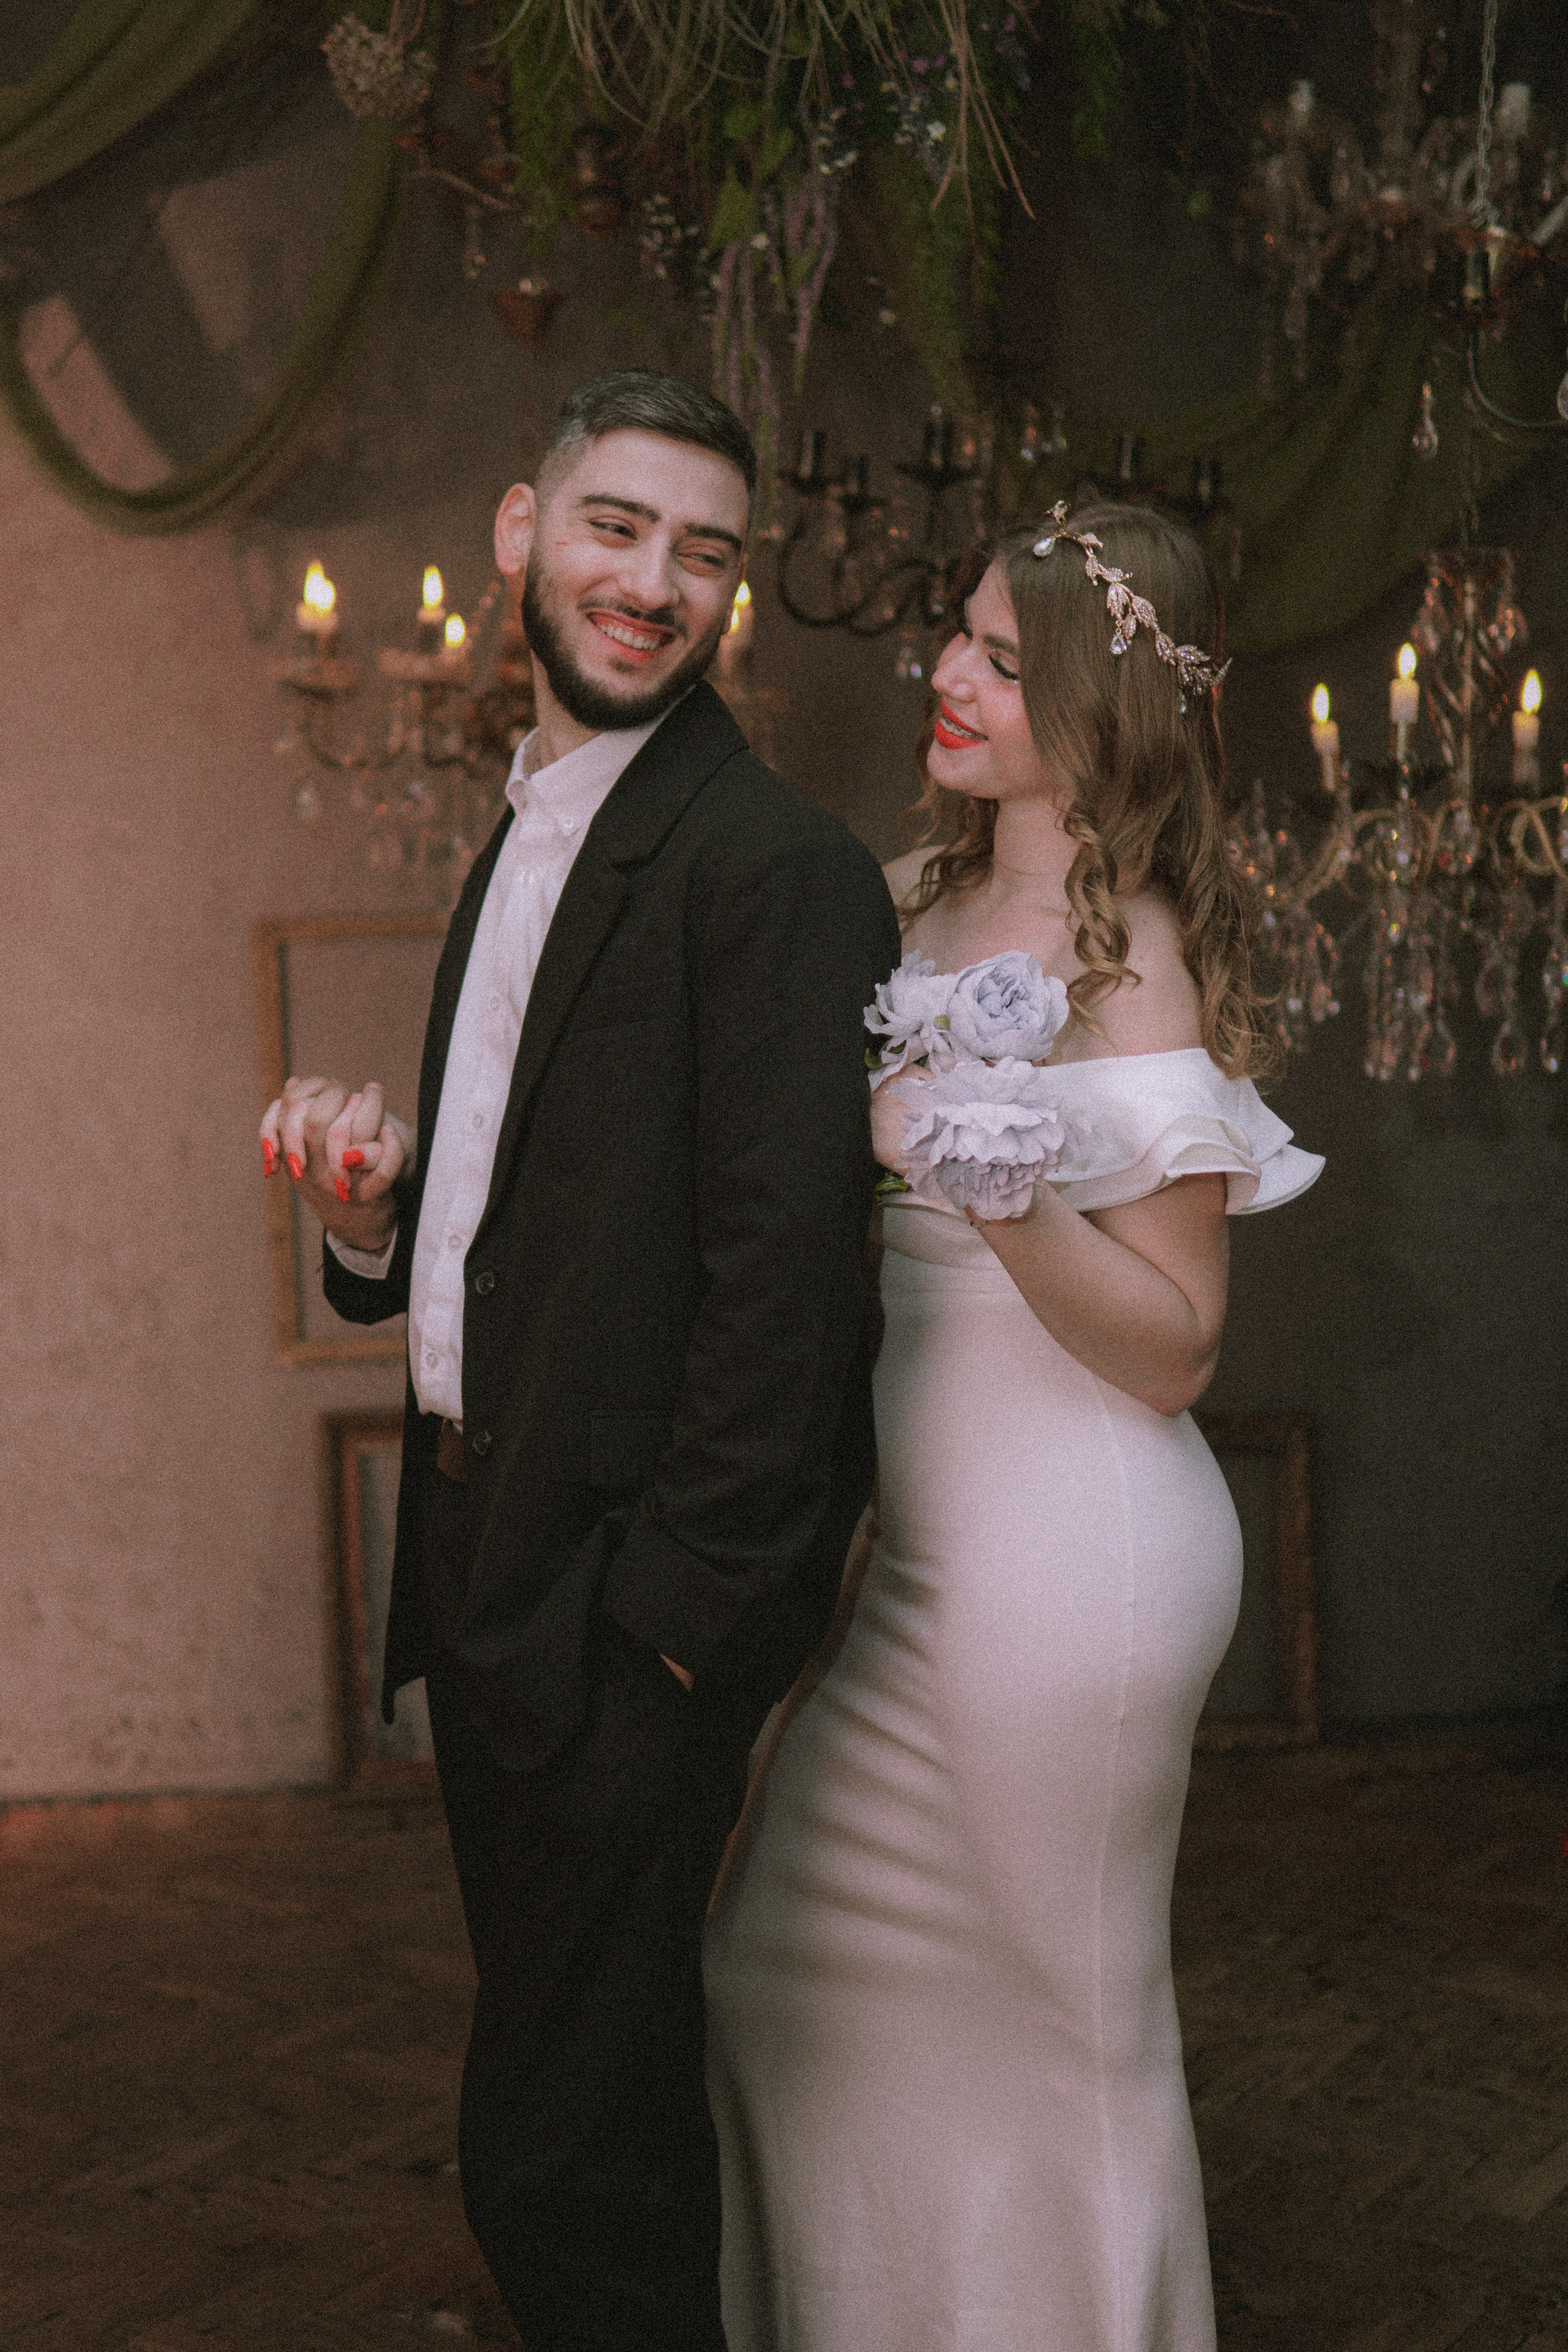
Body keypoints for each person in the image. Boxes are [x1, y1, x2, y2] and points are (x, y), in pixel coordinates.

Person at [259, 370, 901, 2352]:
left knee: (569, 2156)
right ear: (520, 533)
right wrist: (371, 1223)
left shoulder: (776, 867)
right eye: (617, 527)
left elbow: (789, 1298)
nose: (654, 582)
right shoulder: (534, 829)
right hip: (490, 1564)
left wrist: (672, 1640)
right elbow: (546, 1223)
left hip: (627, 1613)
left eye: (704, 552)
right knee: (576, 2113)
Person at [703, 501, 1324, 2352]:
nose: (951, 676)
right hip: (924, 1553)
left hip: (1079, 1562)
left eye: (1001, 655)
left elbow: (1179, 1347)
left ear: (1098, 699)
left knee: (1068, 2042)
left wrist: (1004, 1200)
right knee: (775, 1972)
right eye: (959, 637)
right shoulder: (905, 896)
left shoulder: (1136, 954)